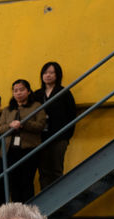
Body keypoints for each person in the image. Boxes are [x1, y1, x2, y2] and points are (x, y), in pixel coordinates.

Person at [0, 79, 47, 203]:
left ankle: (28, 214)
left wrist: (23, 124)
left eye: (21, 90)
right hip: (10, 151)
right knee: (13, 183)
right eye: (15, 91)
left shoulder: (36, 106)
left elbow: (40, 125)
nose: (18, 93)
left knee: (27, 182)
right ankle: (17, 216)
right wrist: (10, 126)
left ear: (28, 91)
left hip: (29, 149)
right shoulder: (7, 109)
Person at [36, 61, 77, 189]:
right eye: (45, 72)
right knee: (43, 171)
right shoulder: (37, 94)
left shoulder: (64, 92)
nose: (48, 75)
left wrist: (66, 136)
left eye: (51, 72)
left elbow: (72, 115)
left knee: (56, 170)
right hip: (40, 138)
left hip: (59, 137)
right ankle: (46, 203)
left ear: (57, 75)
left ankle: (58, 202)